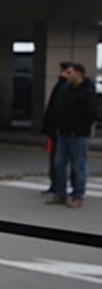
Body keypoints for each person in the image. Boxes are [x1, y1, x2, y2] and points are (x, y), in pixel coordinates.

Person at [48, 62, 96, 209]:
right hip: (63, 133)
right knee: (59, 164)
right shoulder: (65, 89)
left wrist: (79, 130)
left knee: (79, 166)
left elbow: (91, 114)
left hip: (79, 136)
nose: (67, 76)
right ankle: (61, 193)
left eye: (70, 73)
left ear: (79, 74)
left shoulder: (87, 91)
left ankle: (78, 195)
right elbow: (56, 107)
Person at [41, 61, 73, 194]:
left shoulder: (67, 87)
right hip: (55, 130)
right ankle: (56, 185)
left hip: (63, 131)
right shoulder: (60, 86)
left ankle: (63, 187)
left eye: (64, 71)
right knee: (55, 160)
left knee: (64, 161)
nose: (61, 73)